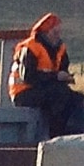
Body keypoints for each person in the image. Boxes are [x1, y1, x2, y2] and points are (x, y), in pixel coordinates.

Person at [12, 10, 76, 140]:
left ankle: (73, 138)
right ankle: (56, 137)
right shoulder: (31, 47)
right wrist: (55, 76)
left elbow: (62, 69)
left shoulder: (60, 49)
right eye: (55, 32)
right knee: (59, 94)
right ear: (45, 32)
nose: (58, 36)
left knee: (78, 99)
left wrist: (66, 77)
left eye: (59, 32)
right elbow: (28, 76)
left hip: (46, 90)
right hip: (24, 93)